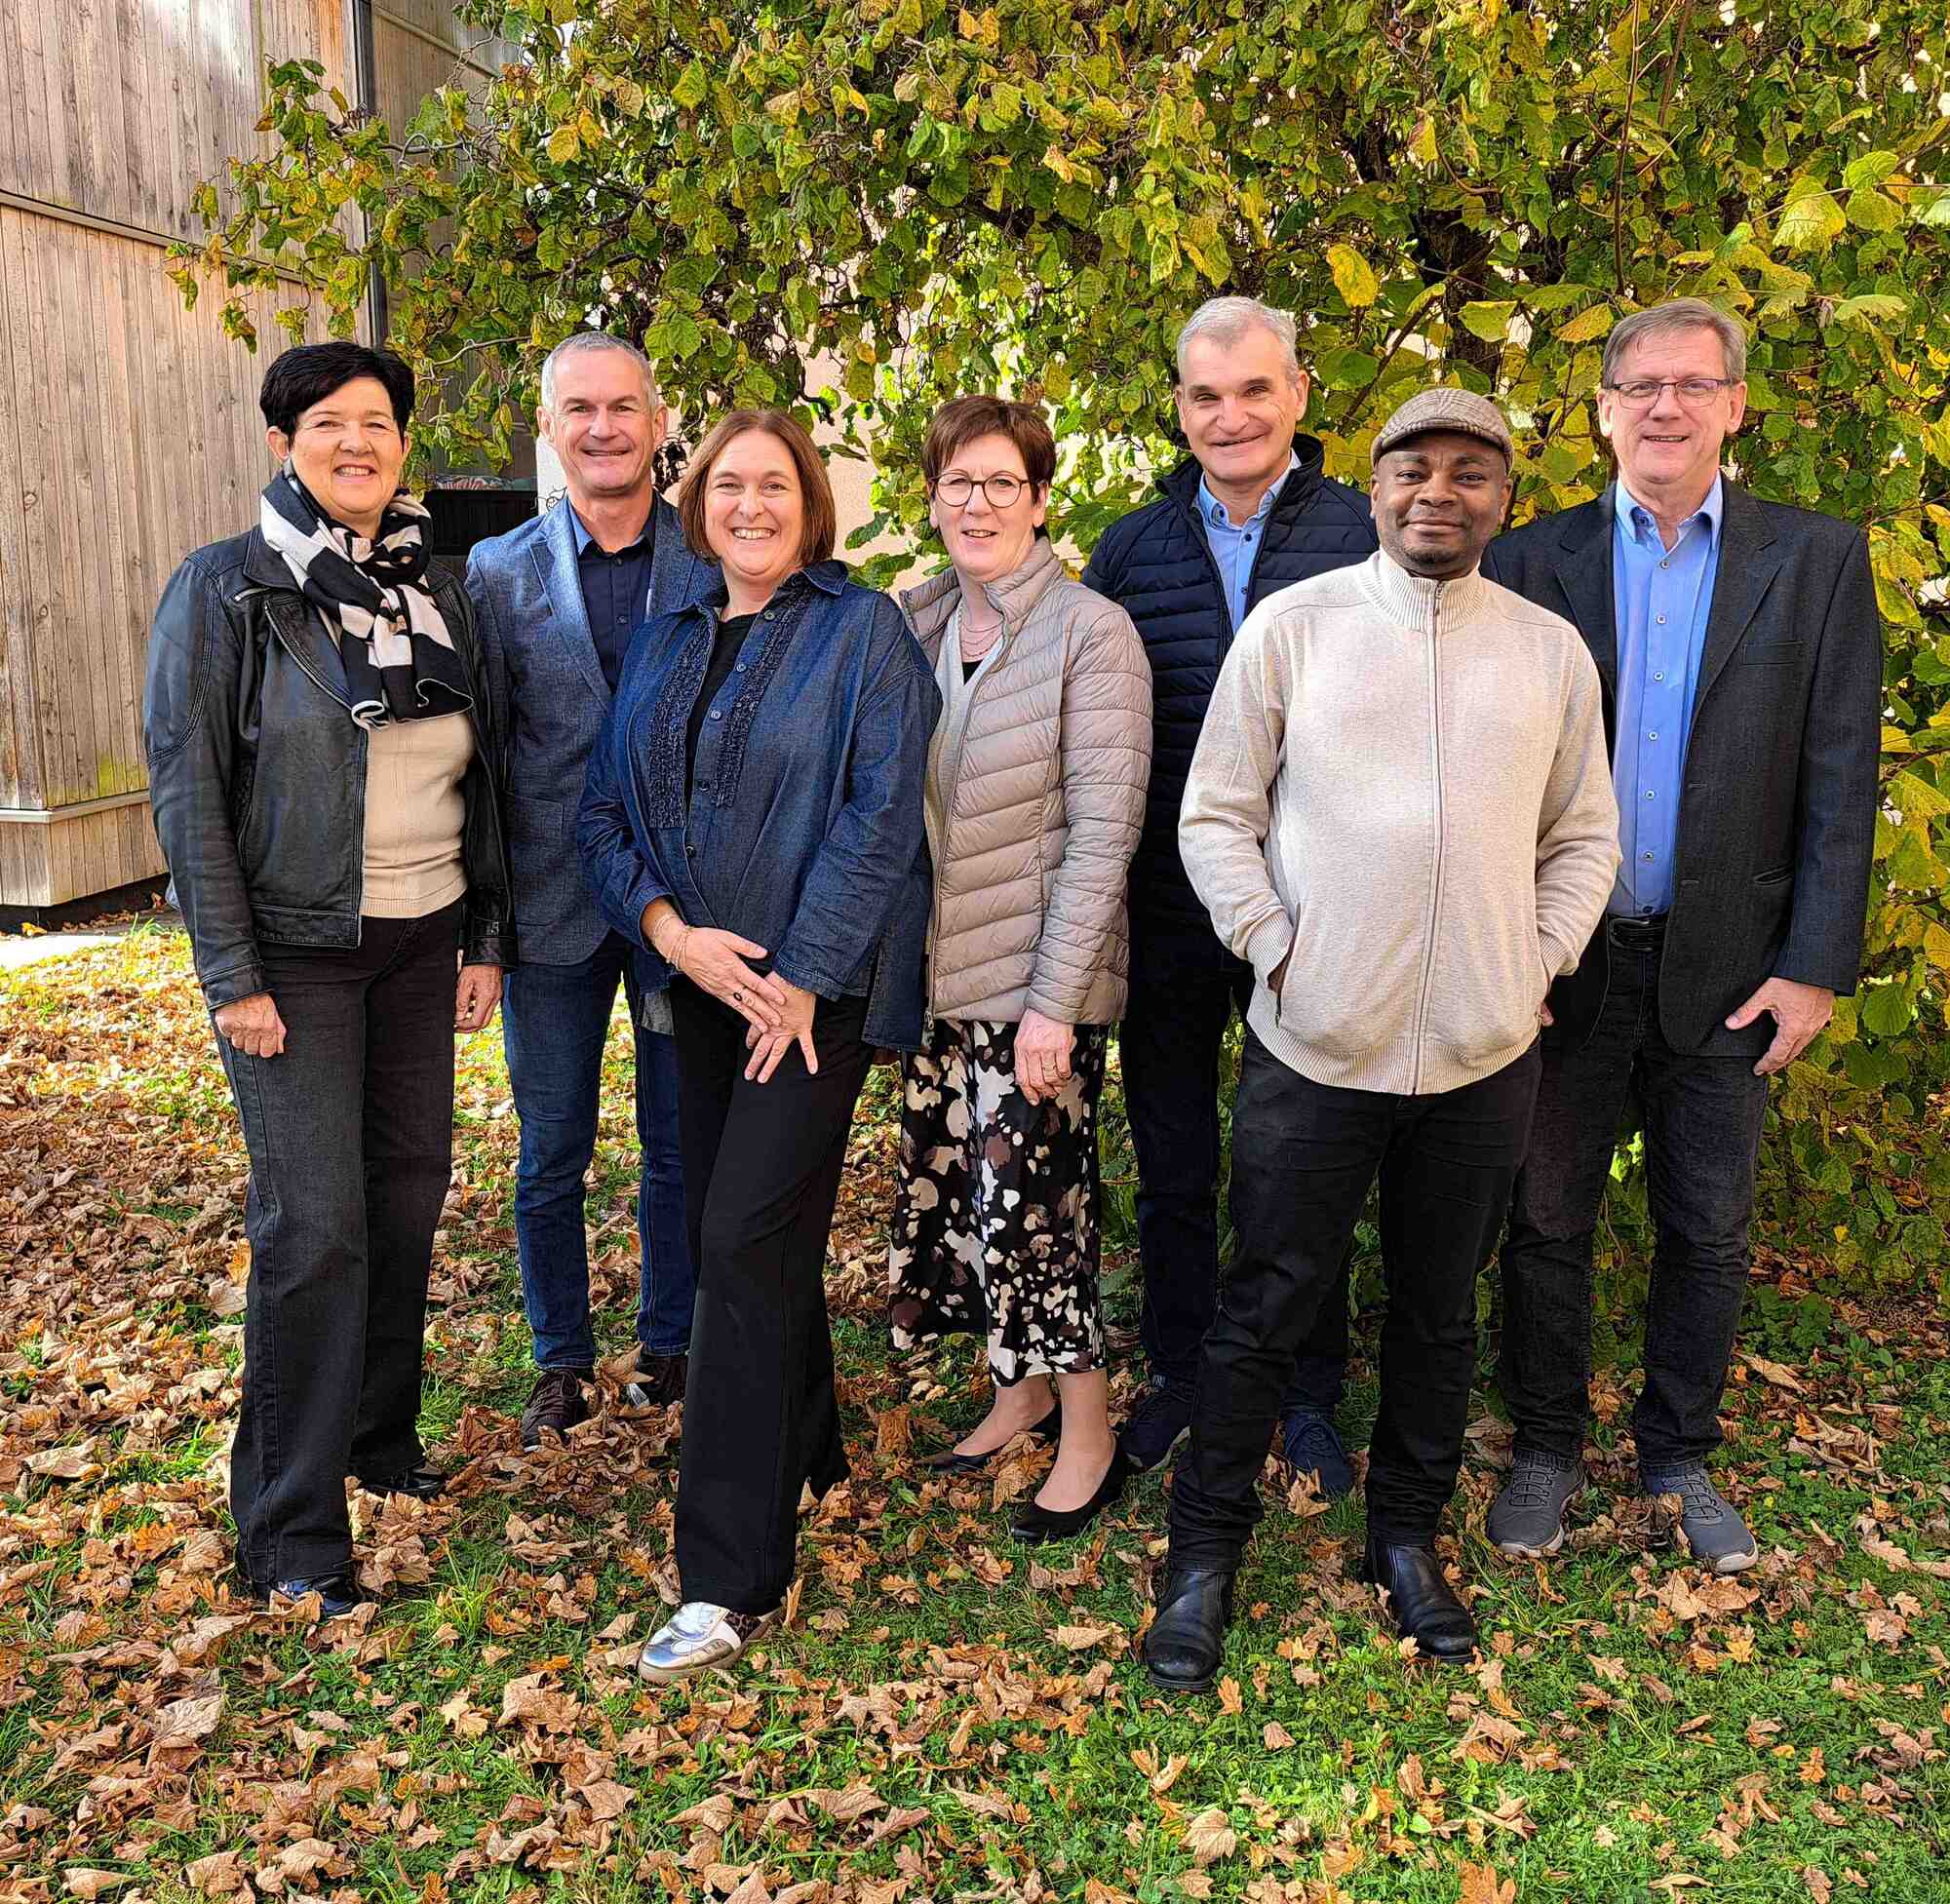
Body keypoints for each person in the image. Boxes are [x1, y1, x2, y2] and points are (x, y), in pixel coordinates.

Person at [1143, 388, 1619, 1690]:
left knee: (1437, 1312)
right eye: (1414, 469)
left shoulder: (1546, 653)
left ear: (1504, 499)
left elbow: (1584, 836)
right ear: (1374, 487)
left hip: (1479, 1054)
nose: (1438, 493)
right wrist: (1276, 947)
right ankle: (1203, 1553)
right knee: (1262, 1302)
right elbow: (1214, 815)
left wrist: (1534, 956)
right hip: (1315, 1042)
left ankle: (1404, 1538)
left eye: (1470, 472)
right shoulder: (1295, 630)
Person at [1481, 300, 1881, 1574]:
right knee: (1545, 1219)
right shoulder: (1525, 562)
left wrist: (1812, 966)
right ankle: (1546, 1446)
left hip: (1733, 965)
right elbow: (1479, 777)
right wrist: (1503, 953)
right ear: (1602, 409)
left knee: (1706, 1227)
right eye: (1641, 385)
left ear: (1734, 406)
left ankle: (1676, 1452)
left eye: (1693, 384)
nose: (1665, 406)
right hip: (1563, 963)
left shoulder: (1812, 562)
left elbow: (1840, 775)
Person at [143, 342, 513, 1617]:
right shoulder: (227, 589)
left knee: (406, 1199)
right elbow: (189, 789)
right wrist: (229, 971)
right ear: (282, 444)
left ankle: (374, 1437)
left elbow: (484, 774)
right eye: (329, 424)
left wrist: (483, 933)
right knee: (314, 1229)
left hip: (421, 937)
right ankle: (291, 1530)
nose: (358, 444)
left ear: (403, 443)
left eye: (379, 423)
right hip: (294, 954)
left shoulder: (437, 586)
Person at [578, 409, 938, 1678]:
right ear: (699, 504)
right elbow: (602, 810)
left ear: (809, 502)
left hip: (806, 1006)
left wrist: (800, 978)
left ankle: (727, 1576)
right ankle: (813, 1448)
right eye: (727, 483)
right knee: (742, 1238)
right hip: (695, 992)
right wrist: (671, 936)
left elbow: (880, 816)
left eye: (773, 483)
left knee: (735, 1242)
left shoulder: (863, 631)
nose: (749, 504)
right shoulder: (669, 634)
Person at [1080, 296, 1378, 1489]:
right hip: (1163, 901)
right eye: (1205, 395)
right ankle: (1181, 1371)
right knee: (1172, 1160)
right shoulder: (1130, 549)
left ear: (1296, 394)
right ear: (1179, 408)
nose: (1231, 415)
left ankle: (1303, 1388)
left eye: (1254, 389)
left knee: (1299, 1160)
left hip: (1315, 908)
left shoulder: (1363, 532)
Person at [888, 396, 1152, 1542]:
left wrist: (1053, 1006)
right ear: (931, 499)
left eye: (1002, 482)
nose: (978, 502)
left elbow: (1104, 831)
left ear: (1039, 500)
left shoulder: (1091, 632)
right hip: (939, 978)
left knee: (1038, 1216)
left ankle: (1088, 1432)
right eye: (957, 481)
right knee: (970, 1205)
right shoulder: (913, 622)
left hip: (1037, 990)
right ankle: (1018, 1392)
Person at [468, 333, 714, 1450]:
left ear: (658, 423)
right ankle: (559, 1363)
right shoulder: (496, 572)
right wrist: (484, 928)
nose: (603, 428)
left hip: (679, 911)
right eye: (580, 409)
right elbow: (482, 760)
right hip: (553, 910)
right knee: (551, 1150)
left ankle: (669, 1346)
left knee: (675, 1143)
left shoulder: (709, 557)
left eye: (623, 406)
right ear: (549, 427)